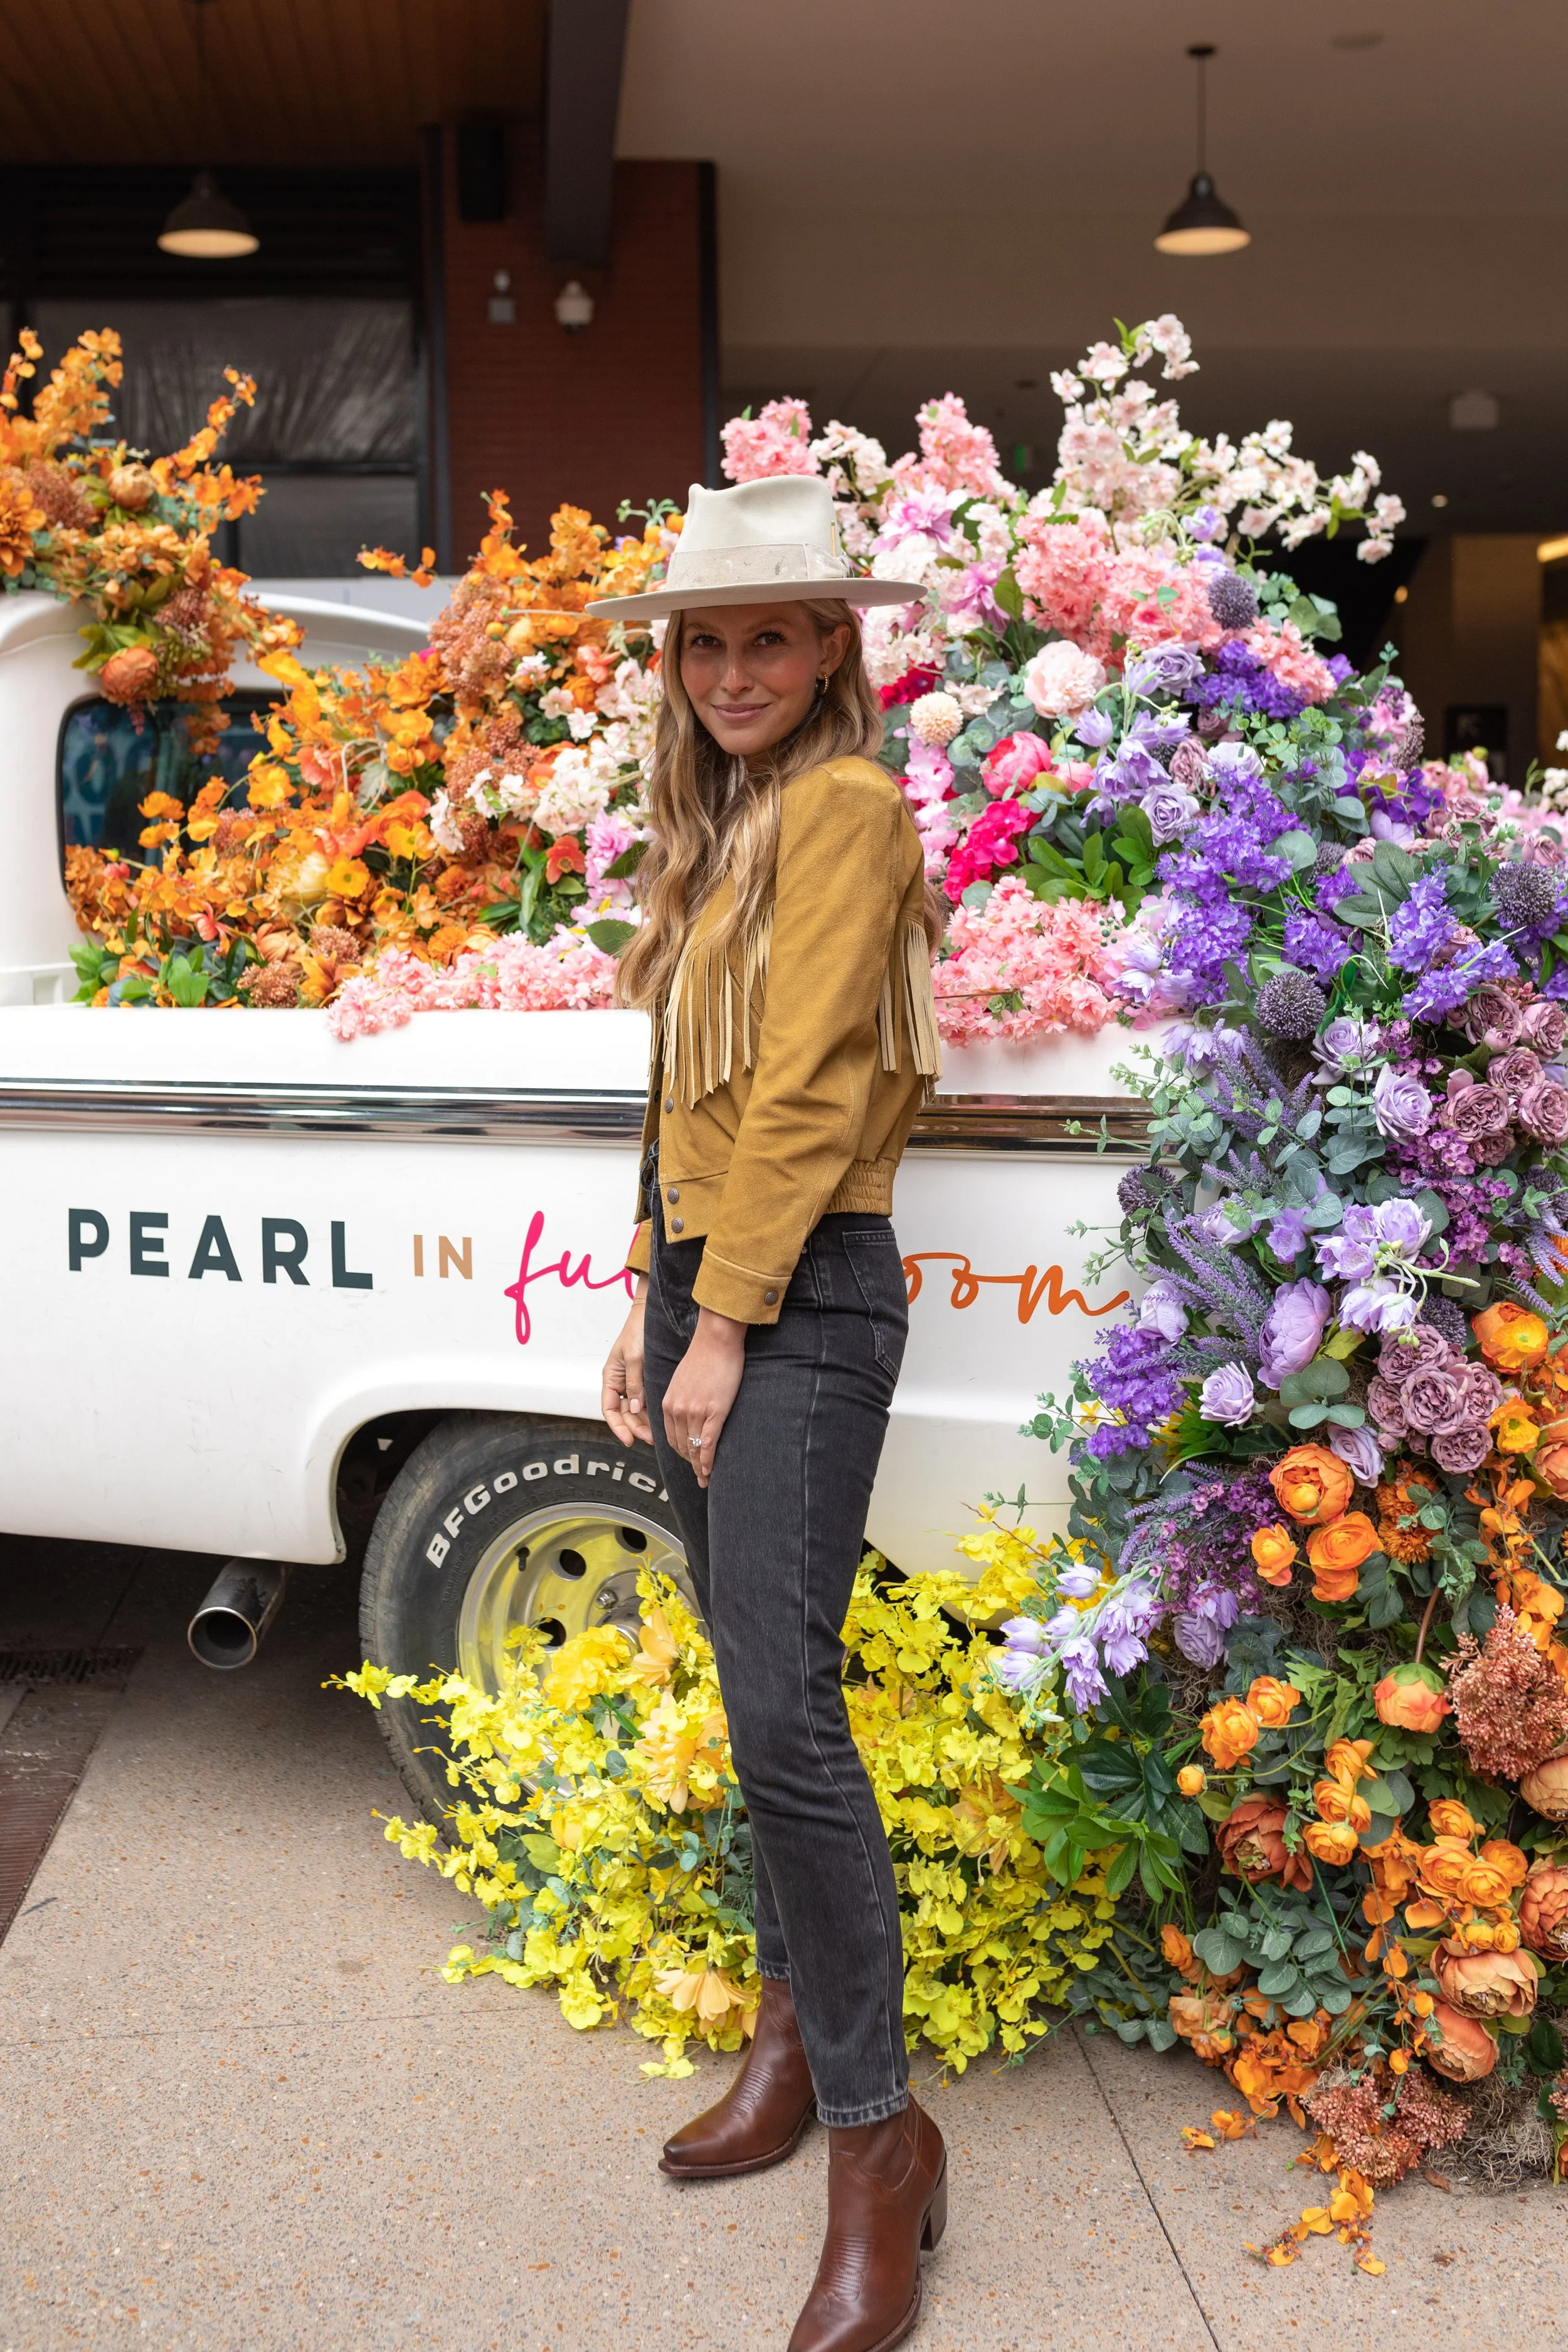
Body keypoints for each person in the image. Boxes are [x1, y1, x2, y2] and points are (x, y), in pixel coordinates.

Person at [590, 476, 946, 2352]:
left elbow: (804, 1089)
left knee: (788, 1715)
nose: (733, 667)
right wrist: (639, 1294)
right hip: (707, 1280)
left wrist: (720, 1322)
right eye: (705, 639)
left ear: (832, 649)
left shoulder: (847, 807)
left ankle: (880, 2144)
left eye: (769, 634)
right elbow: (684, 1093)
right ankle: (796, 2035)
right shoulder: (723, 820)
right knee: (754, 1692)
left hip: (799, 1292)